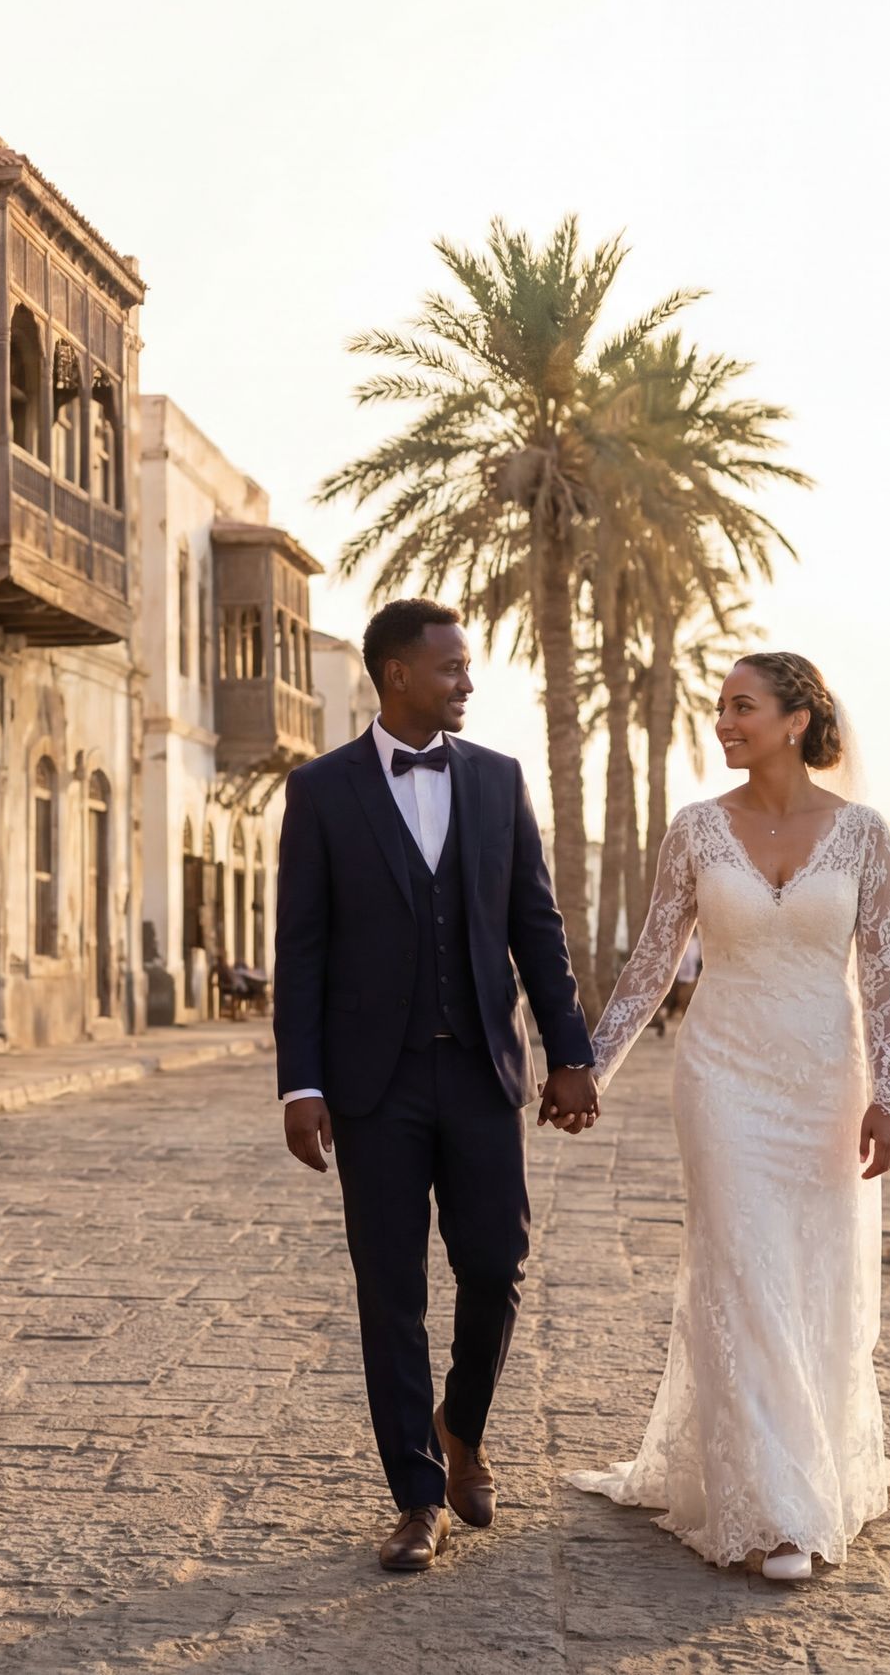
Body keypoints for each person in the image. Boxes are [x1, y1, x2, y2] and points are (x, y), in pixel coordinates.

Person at [566, 650, 890, 1582]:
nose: (723, 723)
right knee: (740, 1269)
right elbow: (651, 961)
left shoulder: (863, 834)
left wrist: (889, 1094)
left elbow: (883, 976)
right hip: (720, 1077)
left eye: (742, 706)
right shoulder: (694, 830)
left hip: (821, 1083)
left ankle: (804, 1467)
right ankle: (775, 1511)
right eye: (720, 708)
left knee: (808, 1274)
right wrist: (589, 1065)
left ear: (796, 720)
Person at [273, 597, 601, 1572]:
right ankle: (418, 1494)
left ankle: (463, 1425)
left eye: (468, 666)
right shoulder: (322, 791)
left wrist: (571, 1053)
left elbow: (536, 929)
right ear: (398, 675)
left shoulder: (499, 783)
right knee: (390, 1288)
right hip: (373, 1083)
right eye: (452, 666)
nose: (467, 681)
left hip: (480, 1069)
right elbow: (303, 950)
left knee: (496, 1264)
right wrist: (301, 1084)